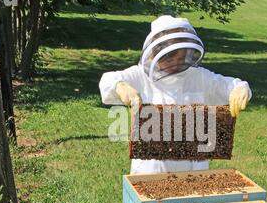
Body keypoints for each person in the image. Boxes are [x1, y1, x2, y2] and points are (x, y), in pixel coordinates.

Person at [99, 15, 252, 174]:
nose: (175, 63)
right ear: (155, 53)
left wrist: (240, 88)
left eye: (181, 57)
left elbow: (230, 85)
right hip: (150, 171)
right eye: (169, 58)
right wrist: (120, 86)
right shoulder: (140, 75)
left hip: (194, 172)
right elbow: (108, 80)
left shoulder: (199, 77)